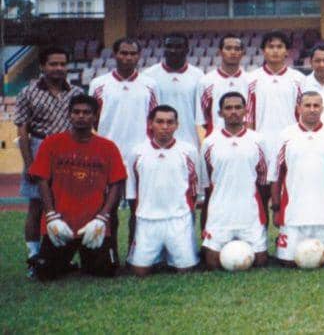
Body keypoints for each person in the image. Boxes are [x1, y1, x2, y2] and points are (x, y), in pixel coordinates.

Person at [28, 95, 126, 281]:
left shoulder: (108, 147)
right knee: (45, 274)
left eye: (87, 112)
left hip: (93, 224)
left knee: (105, 272)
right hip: (61, 222)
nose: (81, 116)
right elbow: (42, 180)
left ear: (95, 116)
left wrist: (102, 218)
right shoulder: (52, 143)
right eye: (76, 112)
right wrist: (50, 216)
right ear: (69, 115)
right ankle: (64, 261)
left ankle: (81, 258)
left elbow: (116, 184)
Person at [14, 46, 84, 276]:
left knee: (66, 205)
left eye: (63, 64)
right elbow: (22, 130)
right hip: (39, 146)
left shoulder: (75, 92)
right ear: (42, 66)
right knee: (36, 206)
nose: (59, 68)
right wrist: (29, 161)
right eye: (53, 64)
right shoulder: (28, 92)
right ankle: (34, 257)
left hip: (67, 151)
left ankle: (60, 258)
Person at [270, 91, 324, 267]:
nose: (312, 109)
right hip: (294, 214)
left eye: (316, 105)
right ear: (299, 108)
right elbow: (275, 176)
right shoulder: (285, 135)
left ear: (322, 109)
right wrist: (276, 209)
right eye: (307, 105)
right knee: (286, 263)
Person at [126, 105, 205, 277]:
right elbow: (132, 189)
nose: (165, 126)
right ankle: (157, 255)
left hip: (178, 219)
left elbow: (194, 187)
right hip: (147, 220)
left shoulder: (188, 151)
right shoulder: (137, 152)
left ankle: (176, 252)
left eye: (170, 122)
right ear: (150, 124)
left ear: (177, 125)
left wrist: (186, 211)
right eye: (159, 121)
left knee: (186, 271)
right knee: (139, 272)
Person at [200, 92, 269, 270]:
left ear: (245, 110)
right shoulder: (209, 143)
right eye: (228, 108)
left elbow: (263, 180)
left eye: (238, 107)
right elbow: (206, 183)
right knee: (212, 264)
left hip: (249, 213)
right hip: (220, 214)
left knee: (260, 262)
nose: (234, 112)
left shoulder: (258, 140)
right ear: (220, 113)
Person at [247, 31, 304, 220]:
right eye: (271, 46)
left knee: (291, 196)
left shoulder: (298, 79)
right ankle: (261, 243)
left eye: (280, 47)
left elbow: (302, 114)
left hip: (290, 146)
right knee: (261, 198)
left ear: (287, 51)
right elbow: (248, 117)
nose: (275, 51)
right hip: (262, 145)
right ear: (263, 50)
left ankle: (287, 242)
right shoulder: (251, 79)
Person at [89, 37, 159, 163]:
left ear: (139, 56)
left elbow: (154, 118)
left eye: (133, 54)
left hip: (140, 152)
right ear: (115, 54)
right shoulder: (98, 84)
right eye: (124, 53)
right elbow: (93, 119)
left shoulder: (150, 85)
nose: (128, 57)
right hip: (107, 151)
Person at [143, 32, 204, 149]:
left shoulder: (198, 76)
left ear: (187, 50)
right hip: (158, 144)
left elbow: (200, 116)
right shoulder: (149, 75)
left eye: (178, 47)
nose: (173, 50)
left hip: (189, 142)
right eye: (169, 46)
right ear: (164, 49)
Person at [196, 34, 249, 136]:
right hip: (216, 141)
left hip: (245, 141)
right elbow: (202, 120)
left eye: (237, 49)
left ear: (242, 53)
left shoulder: (250, 80)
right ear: (220, 52)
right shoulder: (206, 81)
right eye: (228, 48)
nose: (233, 52)